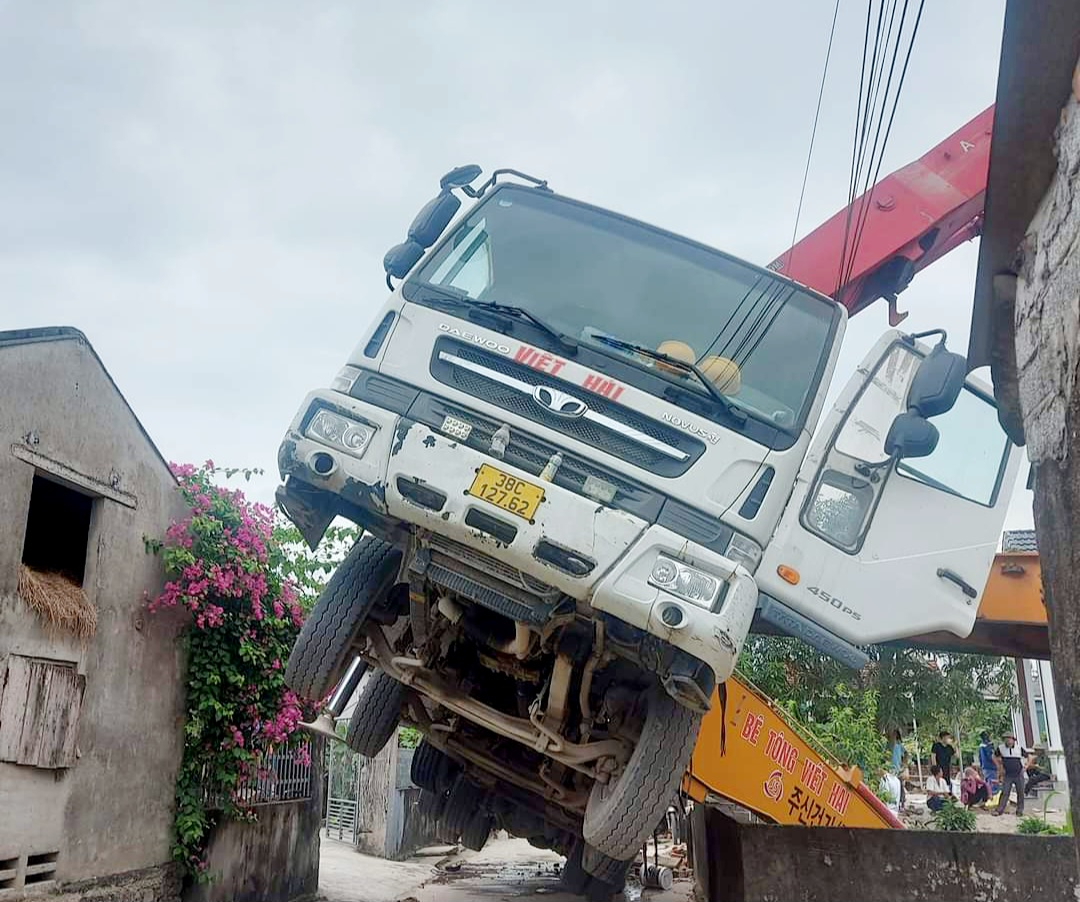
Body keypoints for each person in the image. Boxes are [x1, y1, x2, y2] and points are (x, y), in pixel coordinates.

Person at [993, 731, 1027, 816]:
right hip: (1007, 774)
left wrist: (1026, 767)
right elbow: (994, 756)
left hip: (1018, 773)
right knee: (1005, 792)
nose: (1007, 741)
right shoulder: (1001, 748)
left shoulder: (1019, 748)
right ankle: (999, 810)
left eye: (1009, 739)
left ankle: (1020, 811)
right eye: (1006, 739)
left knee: (1020, 792)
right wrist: (998, 766)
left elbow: (1029, 756)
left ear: (1013, 740)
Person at [978, 731, 999, 797]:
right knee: (993, 785)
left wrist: (981, 767)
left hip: (985, 768)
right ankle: (994, 799)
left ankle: (989, 797)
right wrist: (997, 764)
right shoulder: (987, 746)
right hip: (991, 767)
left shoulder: (981, 746)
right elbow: (991, 756)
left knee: (988, 784)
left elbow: (980, 758)